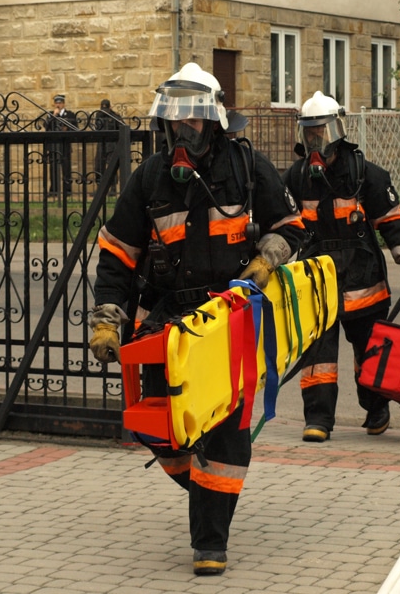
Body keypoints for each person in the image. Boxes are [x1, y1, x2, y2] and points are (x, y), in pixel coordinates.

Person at [87, 62, 304, 576]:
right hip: (170, 319)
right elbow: (117, 255)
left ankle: (210, 539)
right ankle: (206, 490)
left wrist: (266, 258)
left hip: (231, 315)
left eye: (193, 121)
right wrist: (107, 320)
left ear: (214, 123)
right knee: (159, 425)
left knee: (226, 428)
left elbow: (292, 226)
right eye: (174, 122)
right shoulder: (151, 179)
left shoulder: (249, 169)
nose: (182, 131)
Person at [282, 91, 400, 443]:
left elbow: (390, 219)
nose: (316, 141)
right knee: (317, 356)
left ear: (338, 131)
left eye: (322, 133)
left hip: (364, 283)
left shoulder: (365, 174)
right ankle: (317, 419)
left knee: (370, 352)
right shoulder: (296, 178)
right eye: (309, 134)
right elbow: (283, 225)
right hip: (317, 287)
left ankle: (376, 410)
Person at [44, 94, 77, 196]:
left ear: (63, 104)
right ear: (54, 104)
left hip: (64, 145)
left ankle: (68, 191)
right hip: (53, 145)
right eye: (56, 103)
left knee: (66, 169)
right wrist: (54, 116)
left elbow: (75, 127)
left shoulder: (70, 114)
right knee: (53, 169)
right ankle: (54, 190)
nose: (58, 105)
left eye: (60, 103)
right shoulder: (50, 114)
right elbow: (46, 126)